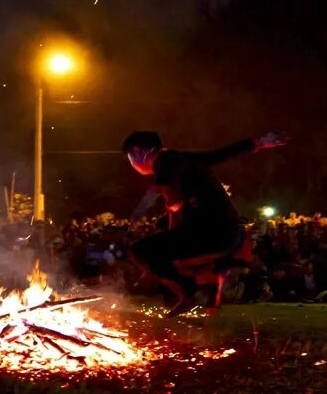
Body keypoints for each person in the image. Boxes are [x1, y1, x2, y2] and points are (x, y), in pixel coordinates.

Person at [123, 129, 288, 315]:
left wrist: (138, 211)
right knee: (164, 244)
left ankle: (189, 292)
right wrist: (259, 142)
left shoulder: (164, 159)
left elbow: (158, 188)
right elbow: (221, 154)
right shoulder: (184, 161)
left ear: (137, 151)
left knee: (137, 251)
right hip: (229, 233)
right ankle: (211, 286)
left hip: (208, 234)